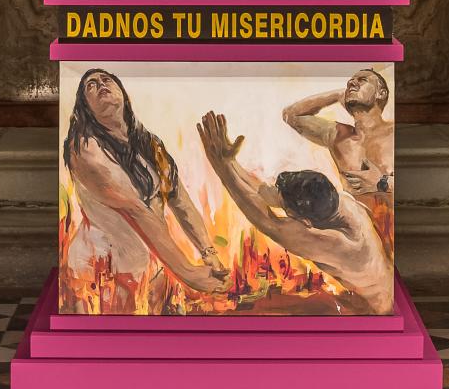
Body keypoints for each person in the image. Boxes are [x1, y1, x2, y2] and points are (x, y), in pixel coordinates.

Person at [63, 70, 228, 312]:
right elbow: (137, 209)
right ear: (85, 106)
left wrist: (208, 252)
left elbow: (179, 201)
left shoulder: (150, 144)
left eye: (107, 80)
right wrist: (188, 272)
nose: (101, 85)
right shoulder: (84, 148)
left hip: (152, 265)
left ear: (123, 94)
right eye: (91, 85)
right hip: (102, 270)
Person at [197, 111, 393, 314]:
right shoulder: (332, 200)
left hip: (374, 311)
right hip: (364, 298)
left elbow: (266, 221)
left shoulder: (339, 243)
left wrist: (220, 167)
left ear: (306, 222)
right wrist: (230, 162)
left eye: (286, 209)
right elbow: (267, 194)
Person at [282, 69, 393, 208]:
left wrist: (381, 182)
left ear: (381, 93)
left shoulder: (394, 132)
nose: (352, 83)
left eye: (362, 80)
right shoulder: (340, 136)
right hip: (361, 224)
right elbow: (291, 115)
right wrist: (337, 95)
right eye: (350, 83)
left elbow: (419, 181)